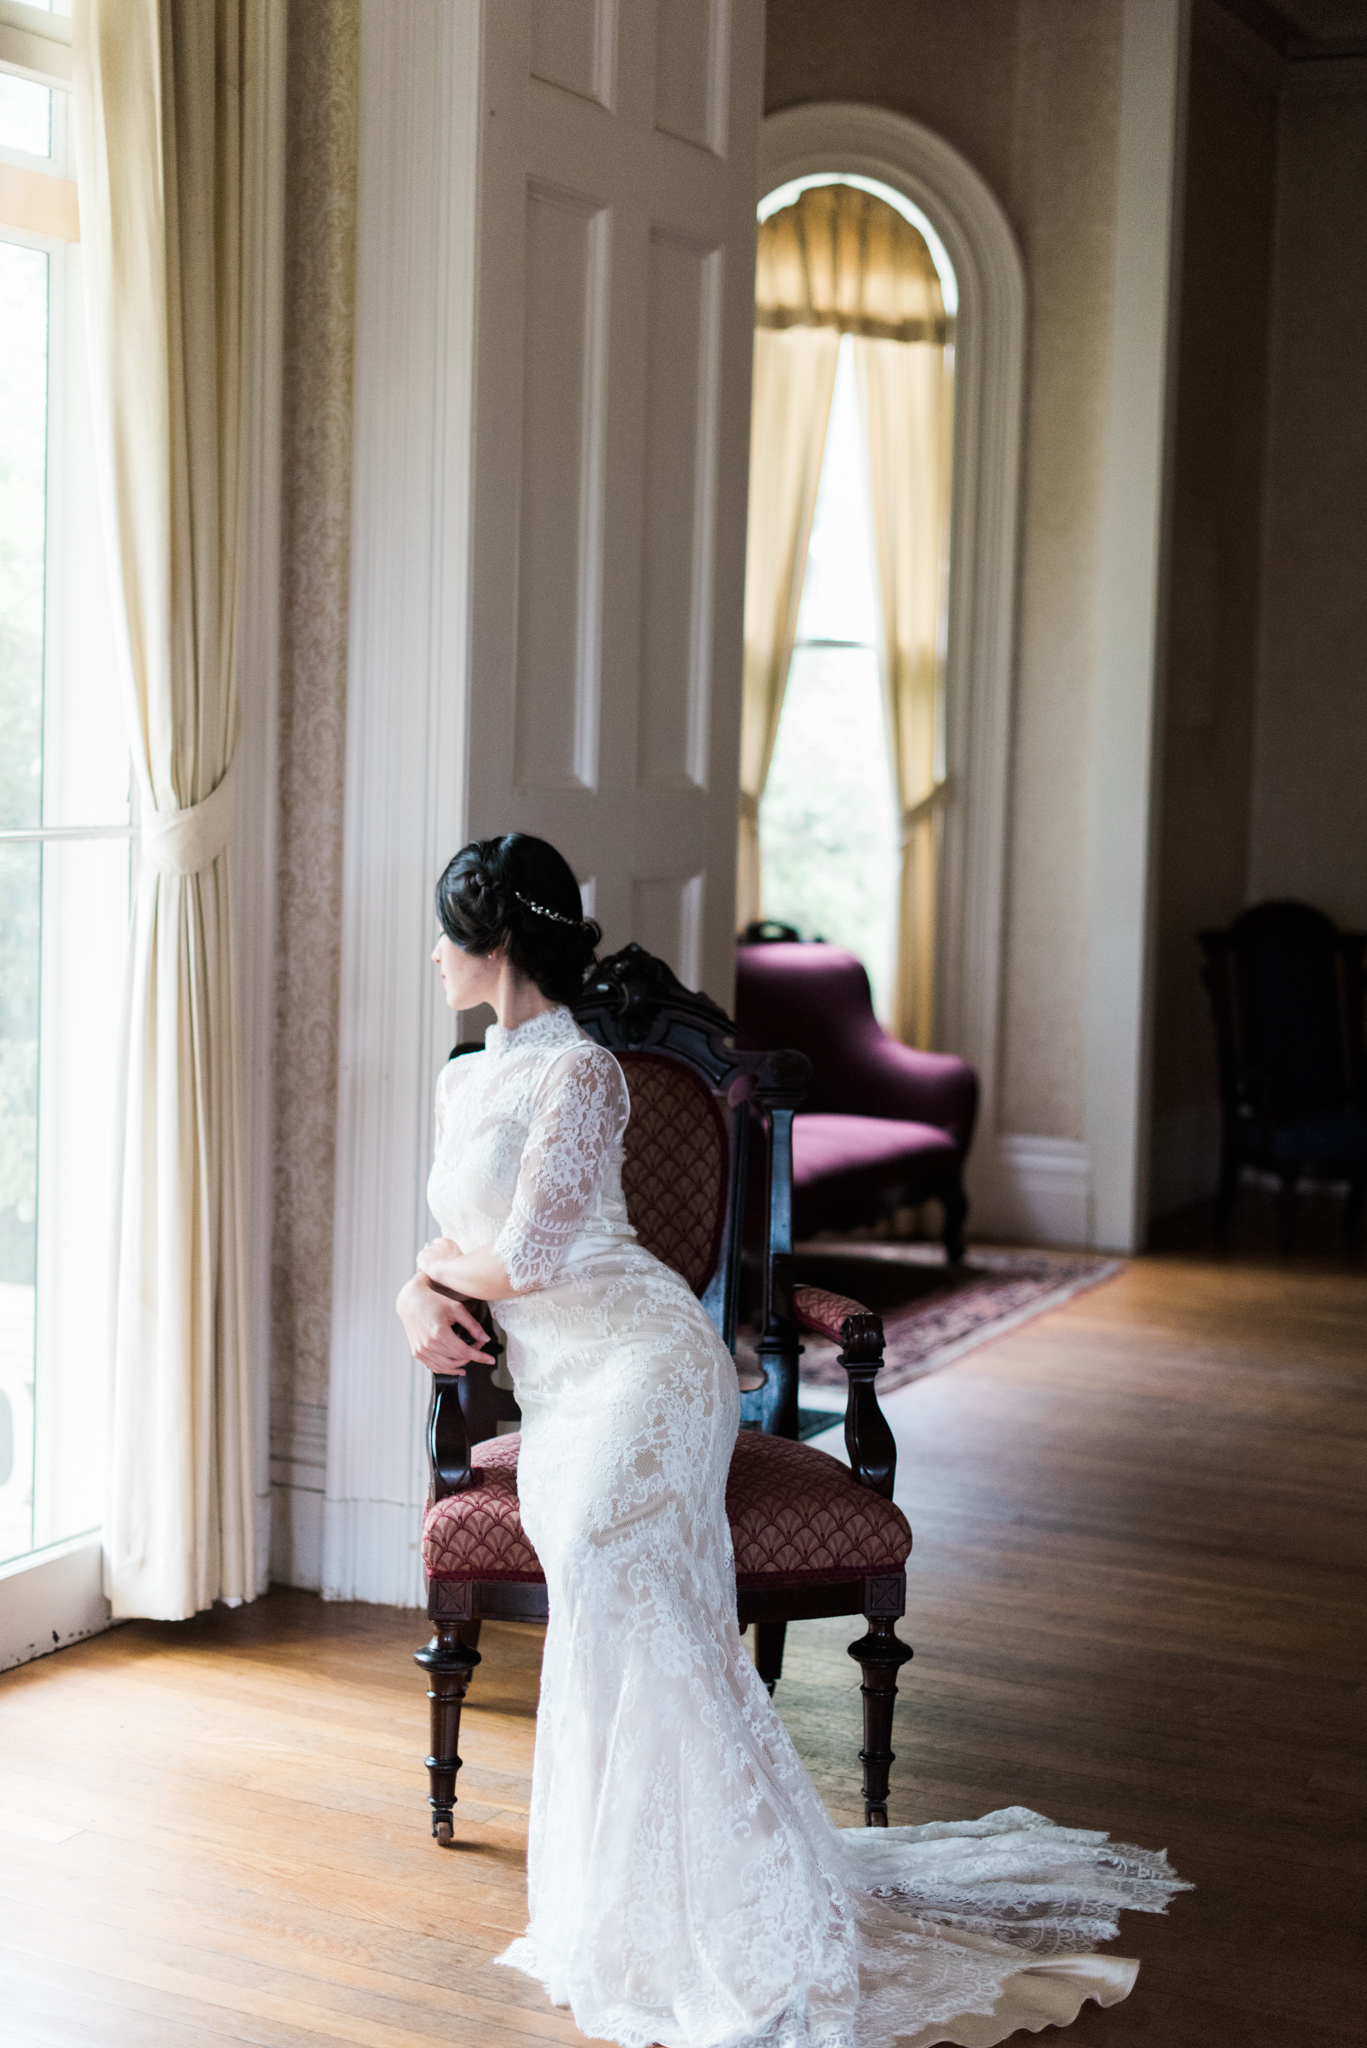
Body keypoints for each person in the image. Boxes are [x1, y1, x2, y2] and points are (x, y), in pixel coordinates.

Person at [396, 832, 1187, 2048]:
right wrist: (413, 1289)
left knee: (624, 1586)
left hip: (647, 1369)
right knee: (611, 1604)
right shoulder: (464, 1074)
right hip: (563, 1395)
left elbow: (533, 1259)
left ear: (496, 945)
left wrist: (431, 1277)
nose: (434, 953)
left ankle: (737, 1908)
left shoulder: (583, 1076)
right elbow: (454, 1240)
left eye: (448, 932)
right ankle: (624, 1897)